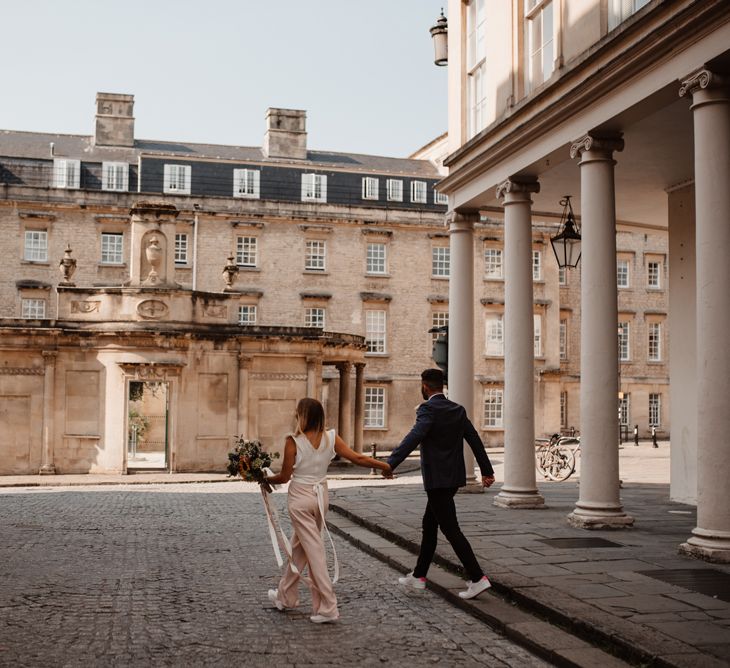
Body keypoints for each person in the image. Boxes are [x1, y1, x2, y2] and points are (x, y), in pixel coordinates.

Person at [264, 397, 392, 623]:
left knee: (314, 553)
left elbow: (284, 477)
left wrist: (263, 479)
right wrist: (383, 465)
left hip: (300, 500)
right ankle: (286, 596)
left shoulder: (293, 441)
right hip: (320, 498)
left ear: (302, 416)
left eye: (297, 412)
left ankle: (328, 607)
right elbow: (357, 457)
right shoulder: (331, 437)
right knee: (300, 549)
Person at [386, 368, 495, 600]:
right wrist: (487, 471)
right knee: (430, 525)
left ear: (425, 386)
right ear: (441, 386)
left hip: (437, 480)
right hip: (453, 479)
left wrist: (390, 463)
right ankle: (419, 576)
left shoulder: (427, 409)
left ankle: (477, 578)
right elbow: (474, 438)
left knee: (450, 529)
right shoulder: (457, 409)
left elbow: (415, 436)